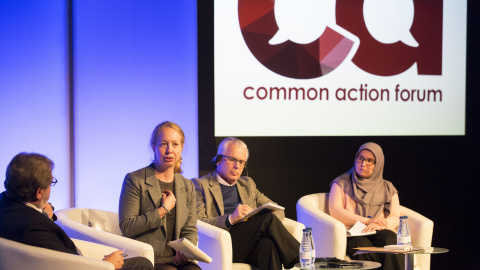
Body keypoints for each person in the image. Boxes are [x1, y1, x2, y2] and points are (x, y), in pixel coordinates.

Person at [0, 152, 153, 270]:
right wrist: (106, 264)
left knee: (140, 261)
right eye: (50, 183)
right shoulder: (36, 226)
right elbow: (69, 264)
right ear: (39, 192)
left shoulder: (5, 203)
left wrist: (43, 208)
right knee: (143, 265)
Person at [192, 137, 299, 270]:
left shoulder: (247, 184)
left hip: (248, 244)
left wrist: (255, 223)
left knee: (268, 245)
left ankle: (300, 258)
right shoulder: (200, 185)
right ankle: (301, 259)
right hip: (221, 244)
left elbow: (278, 210)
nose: (237, 166)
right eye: (232, 159)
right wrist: (230, 219)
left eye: (241, 162)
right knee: (267, 218)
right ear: (218, 160)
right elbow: (199, 222)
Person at [119, 121, 201, 270]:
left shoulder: (187, 185)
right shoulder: (135, 180)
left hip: (178, 259)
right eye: (163, 144)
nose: (169, 150)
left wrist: (185, 252)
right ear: (154, 147)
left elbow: (190, 229)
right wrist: (162, 210)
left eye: (175, 144)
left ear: (181, 148)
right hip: (149, 259)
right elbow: (127, 227)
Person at [328, 142, 404, 270]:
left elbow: (395, 216)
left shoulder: (387, 187)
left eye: (370, 161)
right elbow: (335, 211)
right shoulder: (341, 183)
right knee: (362, 246)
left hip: (379, 230)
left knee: (391, 240)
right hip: (353, 233)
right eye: (360, 158)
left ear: (378, 164)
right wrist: (367, 221)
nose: (363, 164)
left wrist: (381, 225)